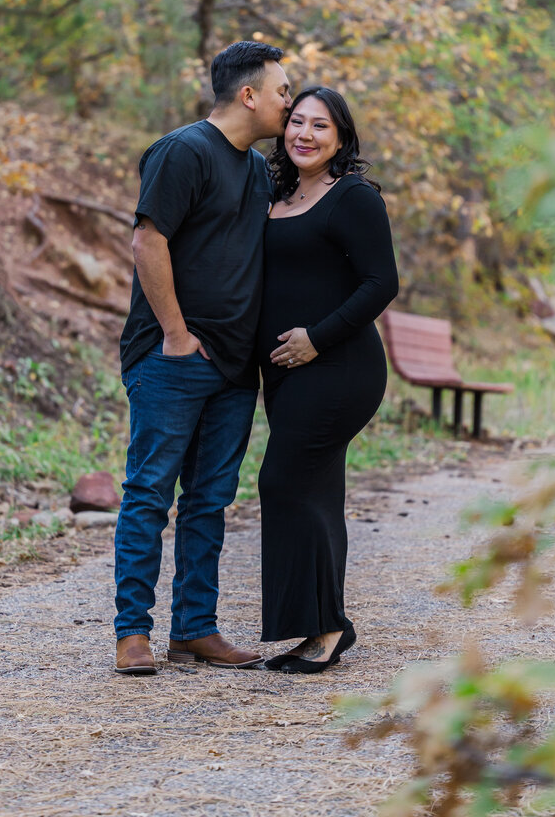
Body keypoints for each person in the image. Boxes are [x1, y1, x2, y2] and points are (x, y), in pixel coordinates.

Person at [114, 41, 291, 675]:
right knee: (149, 493)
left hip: (235, 368)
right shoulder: (183, 151)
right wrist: (175, 333)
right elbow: (147, 238)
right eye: (281, 92)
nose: (288, 104)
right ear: (249, 95)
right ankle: (132, 632)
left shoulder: (255, 169)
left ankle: (194, 628)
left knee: (210, 500)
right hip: (174, 358)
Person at [257, 86, 399, 674]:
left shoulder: (354, 198)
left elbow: (380, 283)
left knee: (283, 481)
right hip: (285, 373)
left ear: (341, 137)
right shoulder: (276, 192)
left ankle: (327, 628)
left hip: (339, 367)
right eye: (296, 122)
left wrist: (316, 338)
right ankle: (322, 625)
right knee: (314, 490)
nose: (305, 134)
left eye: (320, 125)